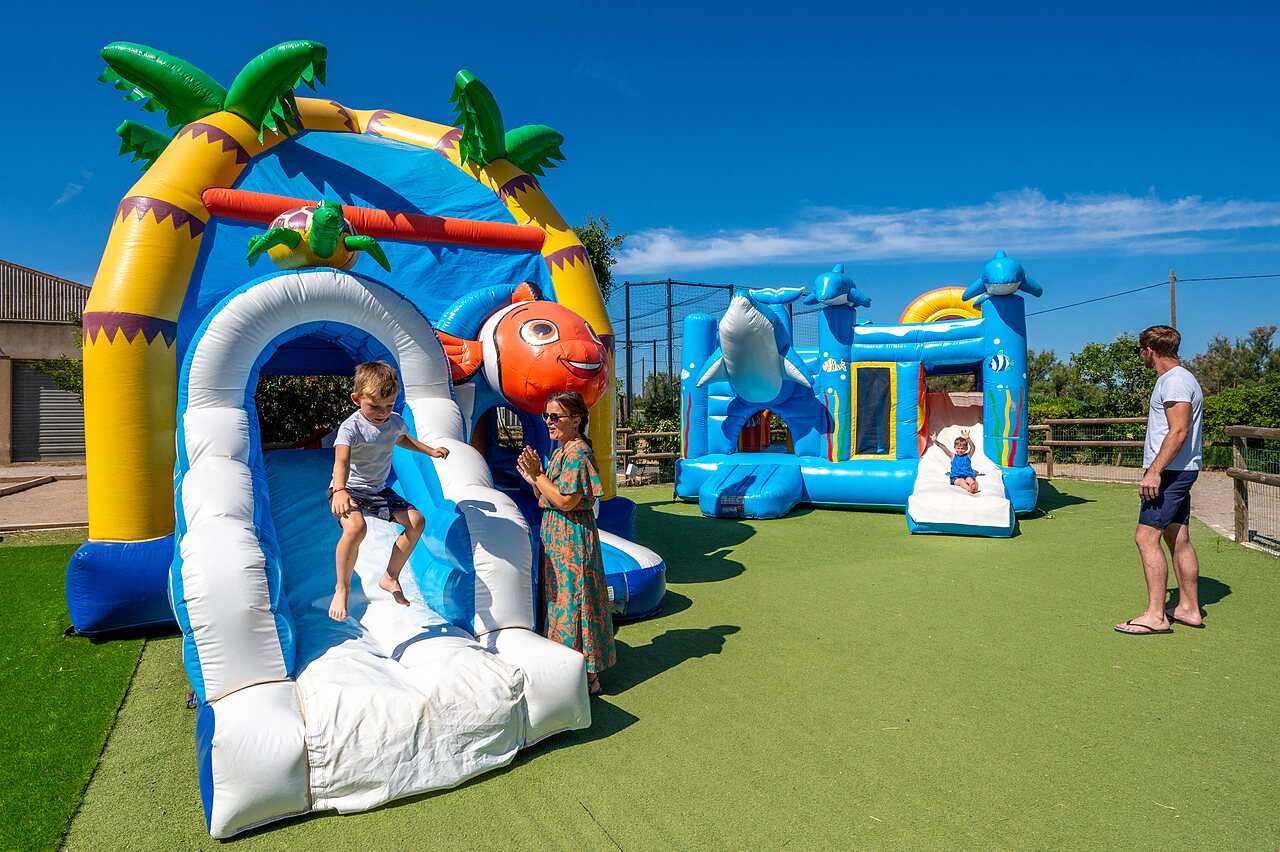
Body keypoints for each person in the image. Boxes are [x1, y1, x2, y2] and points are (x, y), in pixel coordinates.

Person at [328, 361, 449, 621]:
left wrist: (429, 450)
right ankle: (342, 587)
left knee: (417, 521)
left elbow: (401, 437)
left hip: (378, 490)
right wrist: (339, 489)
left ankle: (390, 576)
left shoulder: (393, 421)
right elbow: (342, 461)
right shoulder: (351, 428)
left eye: (389, 405)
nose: (382, 412)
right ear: (356, 399)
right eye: (374, 406)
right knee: (356, 528)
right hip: (349, 488)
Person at [515, 390, 615, 696]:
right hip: (556, 537)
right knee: (560, 603)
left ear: (576, 420)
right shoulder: (560, 452)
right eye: (546, 415)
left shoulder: (578, 454)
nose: (548, 421)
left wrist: (538, 476)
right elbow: (545, 497)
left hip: (573, 538)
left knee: (576, 604)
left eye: (555, 416)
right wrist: (535, 481)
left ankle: (586, 677)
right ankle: (566, 670)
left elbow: (566, 501)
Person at [1115, 325, 1205, 636]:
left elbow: (1178, 430)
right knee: (1177, 538)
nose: (1139, 355)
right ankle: (1189, 608)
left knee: (1145, 538)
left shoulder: (1175, 380)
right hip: (1180, 470)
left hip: (1170, 473)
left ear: (1149, 350)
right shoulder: (1179, 379)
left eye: (1139, 350)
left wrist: (1154, 472)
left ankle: (1156, 615)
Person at [929, 429, 980, 494]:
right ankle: (970, 489)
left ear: (966, 448)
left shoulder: (968, 456)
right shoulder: (952, 456)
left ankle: (973, 485)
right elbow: (943, 447)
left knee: (969, 479)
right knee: (961, 481)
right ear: (955, 448)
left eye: (962, 448)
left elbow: (973, 448)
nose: (960, 450)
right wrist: (935, 441)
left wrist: (968, 439)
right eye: (958, 448)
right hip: (955, 478)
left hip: (967, 475)